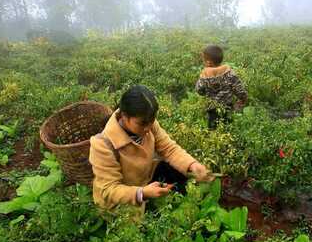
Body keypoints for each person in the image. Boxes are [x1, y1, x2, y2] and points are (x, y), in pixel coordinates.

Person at [89, 85, 214, 214]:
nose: (148, 128)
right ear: (124, 117)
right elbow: (109, 190)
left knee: (180, 172)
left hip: (145, 178)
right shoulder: (102, 144)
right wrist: (142, 193)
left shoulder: (148, 122)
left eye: (151, 121)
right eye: (142, 123)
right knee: (143, 225)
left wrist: (193, 165)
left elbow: (169, 149)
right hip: (121, 198)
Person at [195, 44, 248, 129]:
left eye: (204, 60)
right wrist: (242, 99)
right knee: (228, 128)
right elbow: (239, 89)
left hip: (212, 109)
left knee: (213, 130)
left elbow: (199, 90)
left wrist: (206, 91)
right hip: (228, 107)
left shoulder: (205, 76)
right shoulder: (229, 73)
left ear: (209, 62)